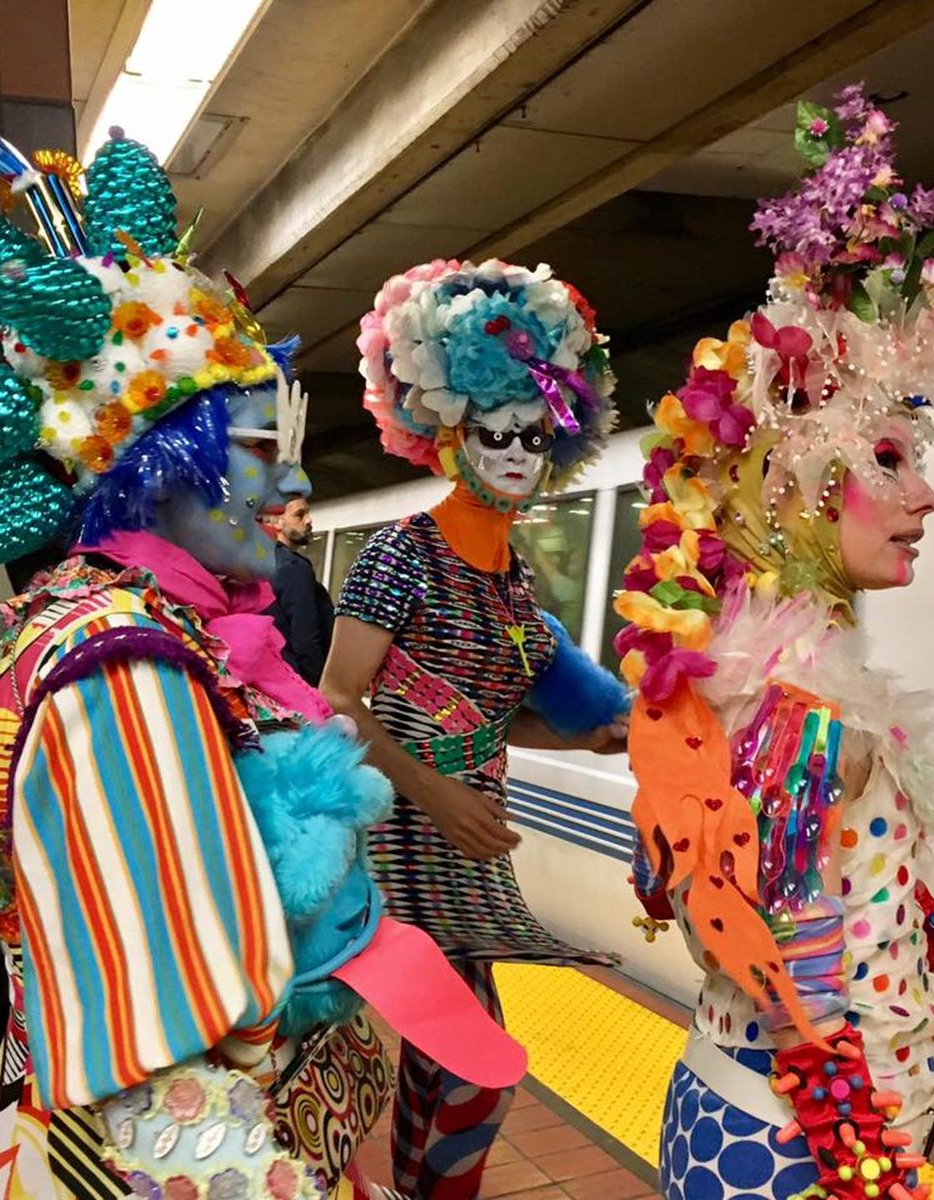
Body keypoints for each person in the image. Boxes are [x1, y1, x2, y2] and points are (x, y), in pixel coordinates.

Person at [0, 103, 525, 1200]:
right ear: (164, 465)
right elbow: (172, 1109)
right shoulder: (121, 669)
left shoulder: (101, 622)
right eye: (267, 450)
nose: (297, 485)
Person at [615, 84, 934, 1200]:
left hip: (732, 1120)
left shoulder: (745, 687)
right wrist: (891, 1149)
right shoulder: (809, 728)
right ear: (800, 484)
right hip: (799, 1150)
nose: (928, 497)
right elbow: (828, 985)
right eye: (892, 461)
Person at [320, 258, 630, 1200]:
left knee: (445, 1067)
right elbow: (336, 698)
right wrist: (438, 793)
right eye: (495, 435)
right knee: (459, 1068)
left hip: (467, 849)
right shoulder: (399, 552)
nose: (516, 456)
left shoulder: (515, 578)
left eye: (536, 439)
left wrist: (591, 739)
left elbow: (496, 719)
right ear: (448, 432)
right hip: (400, 843)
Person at [267, 497, 335, 685]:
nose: (309, 520)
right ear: (277, 522)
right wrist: (321, 690)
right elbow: (305, 639)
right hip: (298, 682)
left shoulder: (264, 562)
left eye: (308, 512)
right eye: (299, 515)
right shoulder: (294, 567)